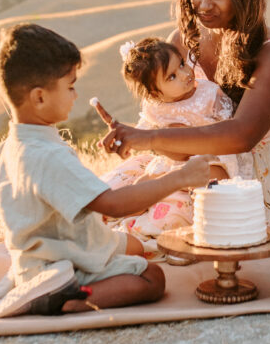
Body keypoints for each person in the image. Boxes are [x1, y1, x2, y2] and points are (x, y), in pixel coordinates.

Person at [0, 23, 210, 317]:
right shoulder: (49, 155)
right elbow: (114, 205)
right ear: (40, 97)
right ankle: (67, 299)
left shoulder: (11, 147)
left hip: (37, 251)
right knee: (152, 277)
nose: (75, 95)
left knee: (133, 245)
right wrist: (180, 177)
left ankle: (27, 275)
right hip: (67, 259)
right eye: (70, 87)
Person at [98, 0, 270, 235]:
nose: (204, 4)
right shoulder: (184, 40)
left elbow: (241, 137)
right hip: (181, 162)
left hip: (250, 181)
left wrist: (150, 139)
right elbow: (164, 110)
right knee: (103, 200)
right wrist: (136, 137)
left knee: (159, 222)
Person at [100, 37, 237, 258]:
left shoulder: (208, 93)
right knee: (141, 183)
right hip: (170, 164)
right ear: (156, 93)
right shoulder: (156, 107)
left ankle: (188, 206)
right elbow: (143, 133)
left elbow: (225, 129)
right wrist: (123, 138)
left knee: (214, 177)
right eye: (171, 76)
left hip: (207, 157)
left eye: (182, 64)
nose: (185, 74)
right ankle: (128, 214)